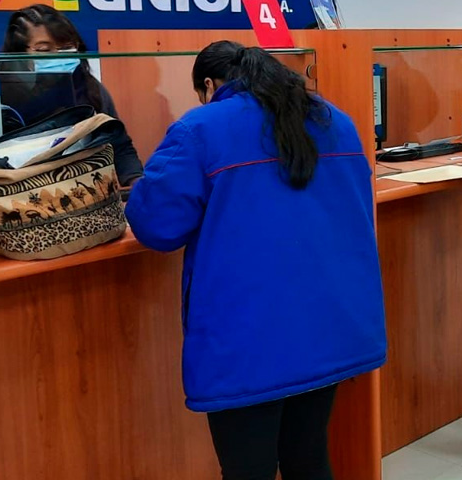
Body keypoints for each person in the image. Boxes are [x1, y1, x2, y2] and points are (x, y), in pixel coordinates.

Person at [126, 41, 387, 480]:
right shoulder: (335, 121)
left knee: (248, 469)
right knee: (308, 456)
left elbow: (156, 226)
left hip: (247, 338)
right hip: (329, 326)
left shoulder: (202, 129)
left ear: (209, 85)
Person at [0, 4, 144, 184]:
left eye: (67, 47)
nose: (57, 56)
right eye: (44, 49)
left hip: (89, 191)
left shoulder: (92, 90)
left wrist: (136, 183)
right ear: (19, 53)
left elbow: (119, 146)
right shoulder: (1, 98)